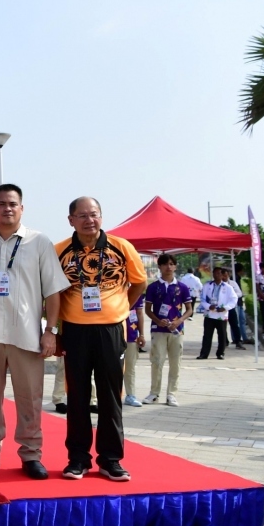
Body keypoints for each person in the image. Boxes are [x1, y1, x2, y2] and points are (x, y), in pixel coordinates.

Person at [0, 184, 67, 480]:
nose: (7, 208)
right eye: (1, 204)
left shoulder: (39, 242)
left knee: (30, 397)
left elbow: (54, 291)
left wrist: (51, 331)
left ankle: (31, 454)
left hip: (27, 335)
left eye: (13, 203)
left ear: (22, 208)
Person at [54, 197, 147, 482]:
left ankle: (111, 460)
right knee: (77, 397)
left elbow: (140, 281)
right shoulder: (59, 251)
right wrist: (55, 332)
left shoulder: (121, 247)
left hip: (110, 331)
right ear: (71, 220)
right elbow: (52, 293)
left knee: (110, 397)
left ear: (101, 217)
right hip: (74, 331)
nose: (88, 220)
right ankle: (78, 460)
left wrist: (121, 309)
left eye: (93, 214)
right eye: (81, 215)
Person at [143, 254, 193, 406]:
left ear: (175, 266)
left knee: (175, 362)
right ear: (159, 267)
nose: (168, 267)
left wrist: (179, 321)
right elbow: (147, 309)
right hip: (158, 329)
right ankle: (154, 393)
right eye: (165, 264)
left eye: (171, 264)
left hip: (176, 330)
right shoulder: (153, 287)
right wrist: (158, 320)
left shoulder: (182, 287)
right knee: (157, 361)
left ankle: (172, 394)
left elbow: (189, 309)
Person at [196, 267, 237, 360]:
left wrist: (225, 308)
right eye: (214, 273)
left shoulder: (228, 287)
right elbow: (202, 299)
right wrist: (208, 306)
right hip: (209, 314)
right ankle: (204, 354)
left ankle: (220, 353)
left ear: (222, 275)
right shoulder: (207, 285)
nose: (216, 275)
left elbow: (234, 300)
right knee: (207, 335)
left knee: (222, 335)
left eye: (218, 273)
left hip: (221, 315)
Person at [121, 296, 145, 407]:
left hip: (131, 335)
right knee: (110, 367)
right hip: (112, 335)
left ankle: (130, 395)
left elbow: (139, 313)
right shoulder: (110, 287)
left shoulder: (135, 290)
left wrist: (142, 334)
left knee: (130, 367)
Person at [225, 269, 247, 349]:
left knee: (235, 324)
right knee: (222, 326)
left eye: (226, 275)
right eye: (223, 275)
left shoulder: (233, 283)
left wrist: (232, 295)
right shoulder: (218, 284)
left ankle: (238, 341)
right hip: (221, 309)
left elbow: (239, 293)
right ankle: (225, 341)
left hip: (231, 307)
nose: (225, 277)